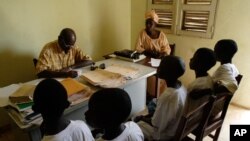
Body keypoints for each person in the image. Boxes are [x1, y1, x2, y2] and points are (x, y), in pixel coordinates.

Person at [136, 55, 187, 141]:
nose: (158, 68)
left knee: (134, 126)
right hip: (176, 127)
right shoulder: (182, 87)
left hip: (164, 135)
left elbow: (156, 124)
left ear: (169, 72)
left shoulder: (168, 96)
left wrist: (142, 118)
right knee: (153, 103)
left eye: (161, 67)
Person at [135, 10, 171, 98]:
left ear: (155, 25)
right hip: (145, 61)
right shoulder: (142, 33)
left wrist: (162, 54)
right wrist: (147, 52)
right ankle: (145, 94)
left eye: (150, 24)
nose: (148, 26)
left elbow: (167, 49)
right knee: (142, 74)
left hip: (158, 62)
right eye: (146, 23)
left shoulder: (161, 35)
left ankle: (156, 95)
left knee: (158, 76)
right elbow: (137, 48)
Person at [212, 39, 240, 117]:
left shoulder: (224, 68)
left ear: (224, 53)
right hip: (218, 106)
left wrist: (208, 90)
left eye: (216, 50)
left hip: (211, 109)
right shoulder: (232, 67)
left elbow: (233, 85)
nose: (214, 52)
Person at [184, 47, 216, 113]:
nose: (191, 59)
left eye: (194, 57)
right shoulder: (209, 78)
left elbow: (185, 108)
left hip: (190, 119)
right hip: (197, 115)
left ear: (199, 63)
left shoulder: (195, 86)